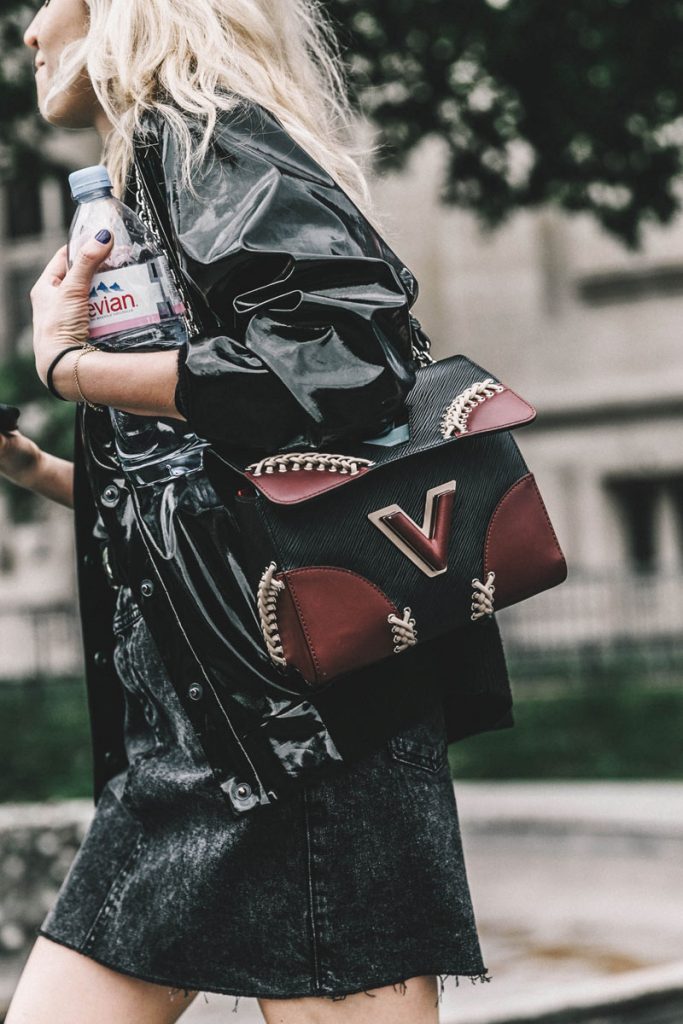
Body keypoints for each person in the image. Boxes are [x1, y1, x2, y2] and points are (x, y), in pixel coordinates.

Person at [1, 0, 514, 1021]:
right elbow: (243, 474)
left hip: (298, 735)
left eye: (41, 0)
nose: (26, 32)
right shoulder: (159, 166)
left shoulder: (191, 131)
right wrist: (43, 470)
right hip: (210, 737)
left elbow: (340, 357)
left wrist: (73, 365)